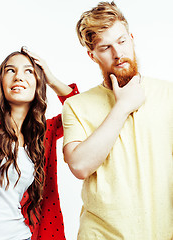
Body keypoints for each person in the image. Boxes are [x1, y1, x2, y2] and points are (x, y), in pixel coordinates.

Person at [62, 1, 173, 240]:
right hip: (101, 235)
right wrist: (122, 107)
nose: (118, 53)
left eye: (122, 41)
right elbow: (79, 166)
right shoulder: (76, 105)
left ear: (132, 38)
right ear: (92, 56)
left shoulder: (168, 94)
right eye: (105, 47)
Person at [0, 46, 79, 240]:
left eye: (29, 71)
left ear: (39, 82)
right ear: (1, 81)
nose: (18, 77)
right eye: (10, 70)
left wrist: (51, 79)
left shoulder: (43, 133)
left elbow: (81, 112)